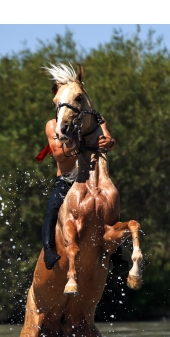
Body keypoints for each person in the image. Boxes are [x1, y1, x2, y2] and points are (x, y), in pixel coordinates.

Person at [36, 109, 116, 270]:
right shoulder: (53, 125)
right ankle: (49, 250)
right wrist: (84, 144)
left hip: (91, 180)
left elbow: (109, 139)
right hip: (66, 181)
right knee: (52, 209)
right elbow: (58, 153)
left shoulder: (97, 119)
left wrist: (109, 143)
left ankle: (119, 255)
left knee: (112, 205)